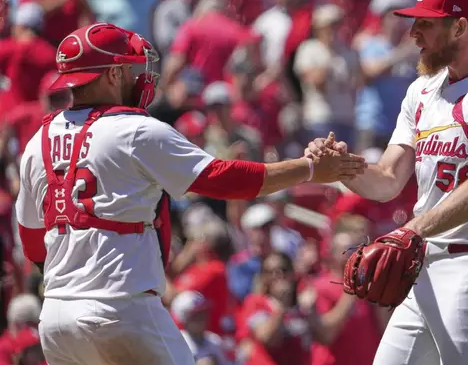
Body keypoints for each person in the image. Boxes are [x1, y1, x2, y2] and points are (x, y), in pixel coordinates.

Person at [15, 22, 365, 365]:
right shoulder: (135, 129)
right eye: (129, 68)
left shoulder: (36, 143)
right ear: (111, 74)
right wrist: (308, 168)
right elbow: (223, 179)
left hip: (57, 316)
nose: (138, 76)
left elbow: (31, 242)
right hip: (121, 307)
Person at [307, 0, 468, 364]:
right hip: (425, 263)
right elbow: (387, 180)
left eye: (425, 24)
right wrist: (342, 167)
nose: (412, 33)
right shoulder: (422, 90)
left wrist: (409, 231)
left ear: (460, 27)